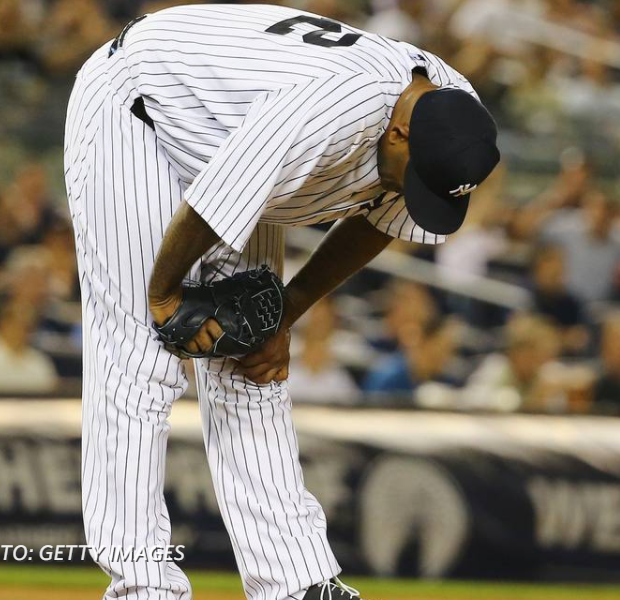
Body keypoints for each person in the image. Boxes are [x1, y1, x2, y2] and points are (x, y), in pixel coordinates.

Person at [65, 5, 500, 599]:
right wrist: (163, 294)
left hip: (234, 136)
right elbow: (212, 203)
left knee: (254, 352)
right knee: (141, 359)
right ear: (399, 132)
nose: (411, 191)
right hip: (142, 105)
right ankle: (141, 586)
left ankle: (295, 583)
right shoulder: (333, 107)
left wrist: (286, 312)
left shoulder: (451, 116)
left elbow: (377, 221)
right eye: (413, 177)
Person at [0, 300, 59, 394]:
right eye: (14, 324)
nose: (19, 330)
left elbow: (51, 392)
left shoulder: (40, 361)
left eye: (25, 326)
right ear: (2, 325)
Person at [288, 301, 359, 405]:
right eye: (316, 320)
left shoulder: (338, 376)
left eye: (323, 320)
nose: (319, 325)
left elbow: (353, 404)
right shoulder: (290, 372)